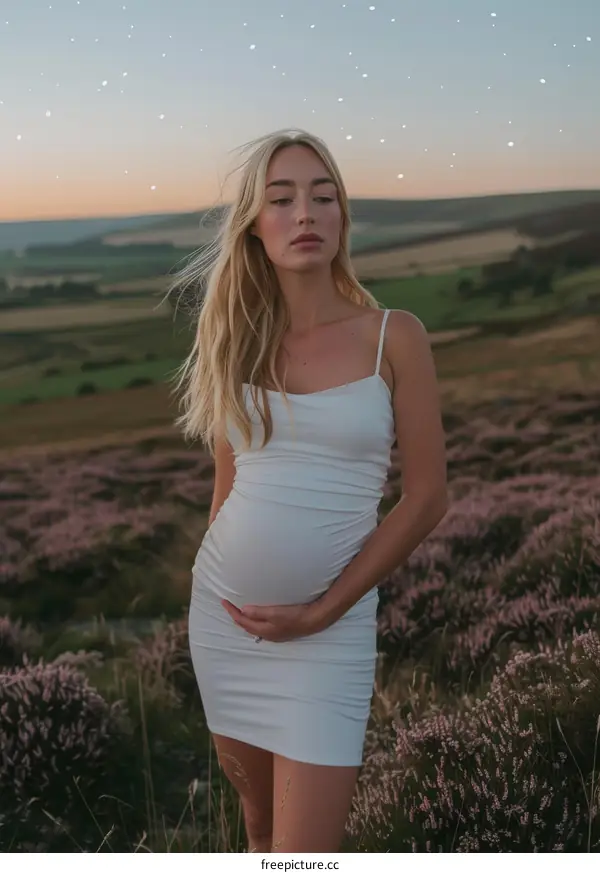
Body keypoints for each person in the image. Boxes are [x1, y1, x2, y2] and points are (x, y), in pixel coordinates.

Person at [168, 128, 448, 853]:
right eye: (283, 198)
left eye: (323, 197)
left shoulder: (395, 336)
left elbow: (427, 497)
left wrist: (324, 608)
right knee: (259, 830)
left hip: (332, 632)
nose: (305, 214)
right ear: (255, 226)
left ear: (342, 219)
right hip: (227, 625)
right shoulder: (238, 346)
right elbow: (226, 492)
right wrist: (218, 589)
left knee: (304, 856)